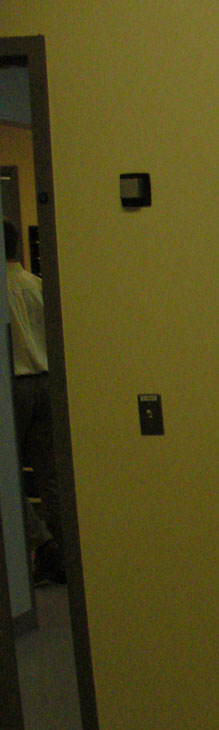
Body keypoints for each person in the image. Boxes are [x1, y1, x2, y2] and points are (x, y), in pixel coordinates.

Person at [4, 218, 63, 584]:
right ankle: (64, 556)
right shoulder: (35, 284)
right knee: (52, 478)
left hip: (14, 386)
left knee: (8, 477)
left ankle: (44, 545)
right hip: (47, 384)